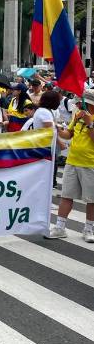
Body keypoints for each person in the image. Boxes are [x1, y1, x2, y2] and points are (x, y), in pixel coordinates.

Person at [48, 89, 94, 242]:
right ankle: (60, 227)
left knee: (91, 199)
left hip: (90, 163)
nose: (79, 107)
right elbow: (69, 134)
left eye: (82, 104)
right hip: (72, 161)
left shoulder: (89, 118)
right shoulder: (77, 115)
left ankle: (89, 229)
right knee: (67, 195)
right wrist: (59, 131)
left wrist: (90, 123)